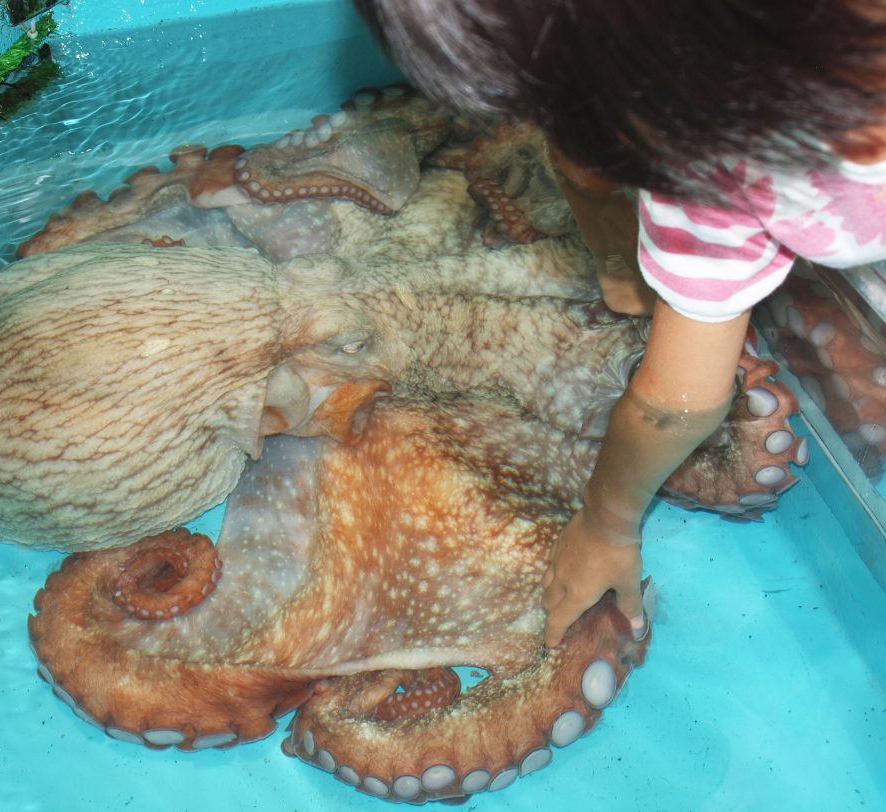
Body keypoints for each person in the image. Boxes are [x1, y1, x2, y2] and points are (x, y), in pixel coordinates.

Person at [352, 0, 886, 646]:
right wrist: (607, 521)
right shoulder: (716, 176)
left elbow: (676, 402)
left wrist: (607, 521)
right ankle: (624, 273)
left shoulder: (717, 166)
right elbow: (675, 401)